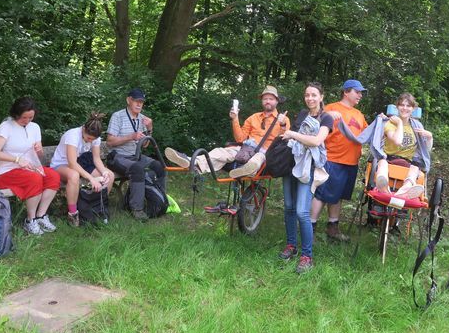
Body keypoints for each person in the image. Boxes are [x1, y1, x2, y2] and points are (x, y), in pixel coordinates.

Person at [165, 85, 290, 179]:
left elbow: (285, 142)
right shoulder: (253, 117)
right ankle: (191, 161)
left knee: (257, 159)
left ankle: (246, 170)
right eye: (265, 99)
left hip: (265, 153)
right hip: (245, 148)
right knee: (221, 152)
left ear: (277, 101)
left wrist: (283, 124)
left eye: (271, 99)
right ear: (262, 101)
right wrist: (235, 119)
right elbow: (240, 139)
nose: (268, 101)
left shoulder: (283, 119)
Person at [279, 82, 333, 273]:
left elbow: (317, 141)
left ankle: (307, 256)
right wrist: (285, 128)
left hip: (307, 169)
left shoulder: (326, 118)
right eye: (307, 95)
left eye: (314, 95)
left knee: (302, 212)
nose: (310, 98)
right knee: (289, 207)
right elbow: (290, 139)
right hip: (291, 165)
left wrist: (292, 133)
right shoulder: (302, 114)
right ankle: (291, 246)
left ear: (321, 96)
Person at [0, 96, 60, 235]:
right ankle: (30, 220)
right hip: (9, 171)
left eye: (30, 117)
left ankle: (41, 216)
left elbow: (38, 156)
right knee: (34, 178)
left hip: (31, 168)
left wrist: (39, 150)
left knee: (53, 176)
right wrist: (17, 159)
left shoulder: (35, 127)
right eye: (24, 118)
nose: (27, 121)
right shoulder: (6, 127)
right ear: (16, 114)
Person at [310, 80, 368, 242]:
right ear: (346, 92)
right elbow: (314, 125)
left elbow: (367, 133)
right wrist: (325, 115)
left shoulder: (358, 114)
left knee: (338, 195)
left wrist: (383, 121)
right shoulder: (331, 108)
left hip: (351, 162)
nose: (360, 95)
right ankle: (310, 228)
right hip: (332, 159)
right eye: (358, 92)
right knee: (321, 194)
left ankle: (332, 228)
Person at [106, 88, 165, 221]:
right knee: (137, 168)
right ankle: (136, 209)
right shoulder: (118, 116)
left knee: (158, 166)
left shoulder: (143, 119)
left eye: (141, 102)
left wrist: (150, 128)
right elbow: (109, 142)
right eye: (136, 101)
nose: (139, 104)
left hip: (135, 155)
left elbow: (145, 144)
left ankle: (161, 199)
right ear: (128, 100)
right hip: (117, 157)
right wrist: (131, 136)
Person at [50, 112, 115, 227]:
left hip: (80, 165)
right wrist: (91, 179)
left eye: (93, 139)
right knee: (74, 175)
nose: (90, 141)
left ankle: (99, 208)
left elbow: (96, 159)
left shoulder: (95, 138)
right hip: (60, 166)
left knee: (110, 175)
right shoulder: (73, 135)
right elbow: (72, 163)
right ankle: (73, 214)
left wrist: (104, 172)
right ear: (83, 129)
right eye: (88, 138)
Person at [374, 93, 432, 199]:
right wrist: (400, 123)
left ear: (413, 109)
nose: (405, 108)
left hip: (408, 162)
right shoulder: (390, 123)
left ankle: (405, 190)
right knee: (382, 163)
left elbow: (426, 151)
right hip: (389, 158)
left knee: (415, 168)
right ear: (397, 107)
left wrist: (429, 137)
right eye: (402, 105)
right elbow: (397, 141)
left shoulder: (416, 126)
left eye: (408, 106)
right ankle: (383, 185)